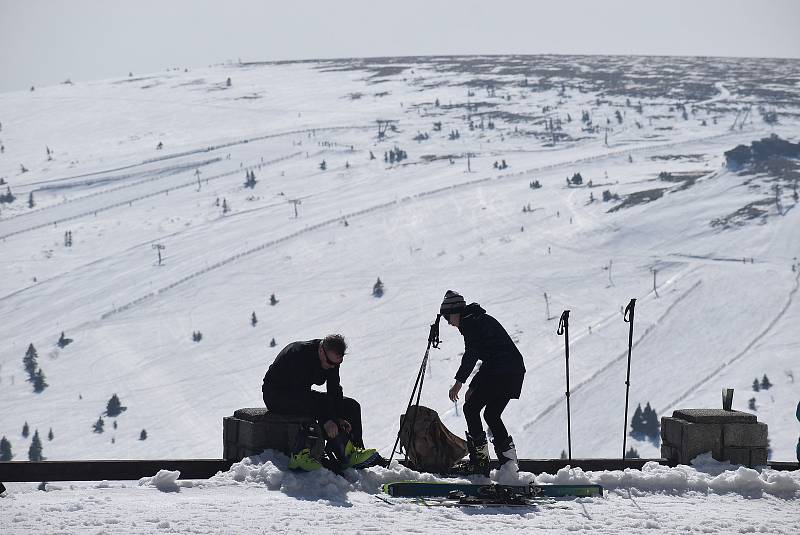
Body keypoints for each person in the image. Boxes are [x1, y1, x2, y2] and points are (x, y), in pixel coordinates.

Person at [262, 334, 380, 471]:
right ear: (321, 351)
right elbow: (302, 397)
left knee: (351, 406)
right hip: (277, 395)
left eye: (337, 364)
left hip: (300, 393)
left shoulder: (332, 359)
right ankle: (340, 454)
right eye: (330, 363)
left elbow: (334, 389)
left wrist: (339, 416)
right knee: (322, 405)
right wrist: (327, 420)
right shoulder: (298, 355)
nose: (333, 367)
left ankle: (354, 451)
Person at [442, 290, 526, 475]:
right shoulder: (477, 319)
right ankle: (509, 465)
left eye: (447, 318)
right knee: (492, 415)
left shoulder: (470, 323)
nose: (448, 323)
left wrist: (459, 383)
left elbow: (472, 354)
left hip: (501, 372)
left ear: (455, 312)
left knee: (470, 409)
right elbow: (489, 357)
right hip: (513, 371)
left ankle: (480, 463)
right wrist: (473, 385)